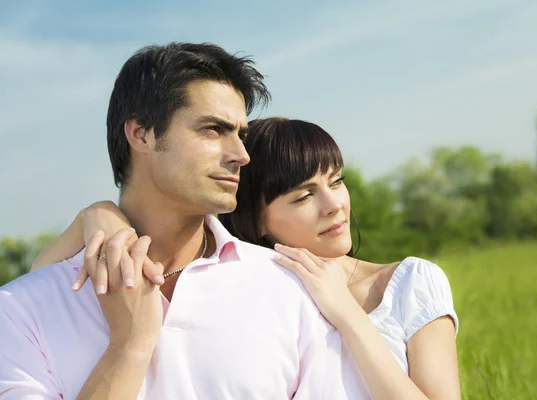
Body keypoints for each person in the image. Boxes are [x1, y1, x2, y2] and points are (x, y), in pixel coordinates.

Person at [0, 43, 353, 399]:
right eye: (214, 130)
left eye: (241, 134)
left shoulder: (289, 288)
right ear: (141, 134)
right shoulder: (20, 310)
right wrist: (128, 346)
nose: (241, 155)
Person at [31, 118, 462, 399]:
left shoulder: (407, 282)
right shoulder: (252, 290)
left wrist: (346, 313)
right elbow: (38, 289)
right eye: (304, 196)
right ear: (256, 219)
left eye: (336, 181)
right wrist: (94, 215)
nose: (334, 205)